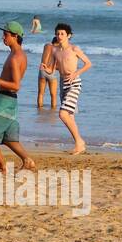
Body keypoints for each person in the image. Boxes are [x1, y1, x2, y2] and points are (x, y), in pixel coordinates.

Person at [0, 21, 36, 171]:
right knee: (8, 137)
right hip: (9, 101)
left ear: (15, 36)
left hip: (4, 100)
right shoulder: (18, 54)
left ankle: (2, 166)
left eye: (5, 34)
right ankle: (27, 160)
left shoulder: (16, 57)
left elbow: (16, 85)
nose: (2, 37)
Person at [44, 22, 93, 154]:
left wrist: (76, 73)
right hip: (63, 84)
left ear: (68, 35)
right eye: (58, 34)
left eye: (62, 34)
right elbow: (53, 69)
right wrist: (46, 69)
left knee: (63, 114)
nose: (59, 36)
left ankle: (79, 141)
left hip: (74, 83)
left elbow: (88, 64)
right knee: (69, 116)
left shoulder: (74, 49)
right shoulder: (55, 51)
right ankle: (79, 144)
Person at [36, 35, 58, 109]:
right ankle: (53, 111)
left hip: (42, 70)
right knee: (53, 95)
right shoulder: (58, 50)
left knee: (41, 93)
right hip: (51, 72)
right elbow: (55, 65)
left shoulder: (46, 45)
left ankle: (39, 109)